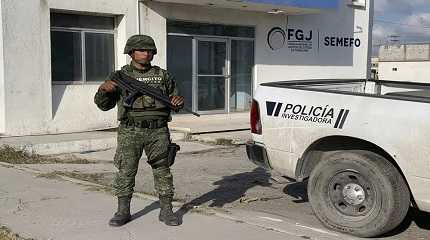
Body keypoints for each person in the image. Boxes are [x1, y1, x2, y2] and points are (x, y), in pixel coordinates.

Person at [94, 35, 184, 227]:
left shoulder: (163, 75)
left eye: (150, 50)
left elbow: (175, 100)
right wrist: (104, 90)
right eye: (142, 50)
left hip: (158, 131)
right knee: (126, 170)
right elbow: (103, 106)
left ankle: (167, 211)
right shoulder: (119, 76)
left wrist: (178, 101)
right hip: (130, 131)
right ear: (131, 52)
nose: (147, 53)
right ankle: (122, 211)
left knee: (163, 170)